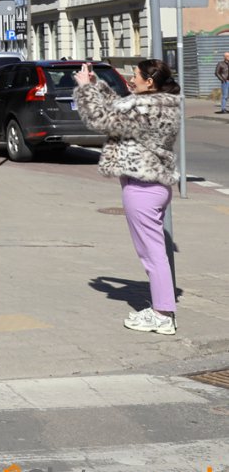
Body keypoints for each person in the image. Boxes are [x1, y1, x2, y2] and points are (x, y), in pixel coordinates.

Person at [76, 58, 181, 336]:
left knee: (151, 254)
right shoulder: (163, 104)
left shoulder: (142, 107)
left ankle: (162, 314)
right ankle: (163, 309)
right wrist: (97, 85)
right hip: (156, 185)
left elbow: (100, 119)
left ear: (150, 82)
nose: (130, 79)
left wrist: (86, 89)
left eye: (135, 75)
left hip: (141, 187)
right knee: (155, 251)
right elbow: (119, 106)